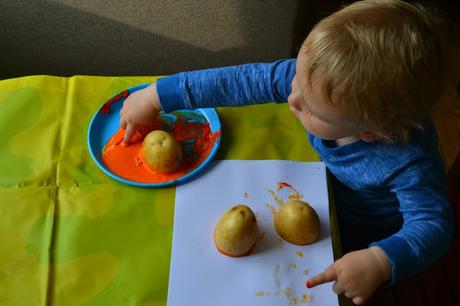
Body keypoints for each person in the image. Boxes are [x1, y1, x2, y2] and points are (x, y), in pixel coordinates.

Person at [119, 0, 454, 304]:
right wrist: (158, 95)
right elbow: (240, 81)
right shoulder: (312, 80)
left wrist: (380, 261)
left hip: (362, 230)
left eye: (311, 110)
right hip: (316, 186)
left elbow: (433, 224)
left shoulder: (408, 162)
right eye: (296, 83)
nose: (291, 99)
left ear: (370, 133)